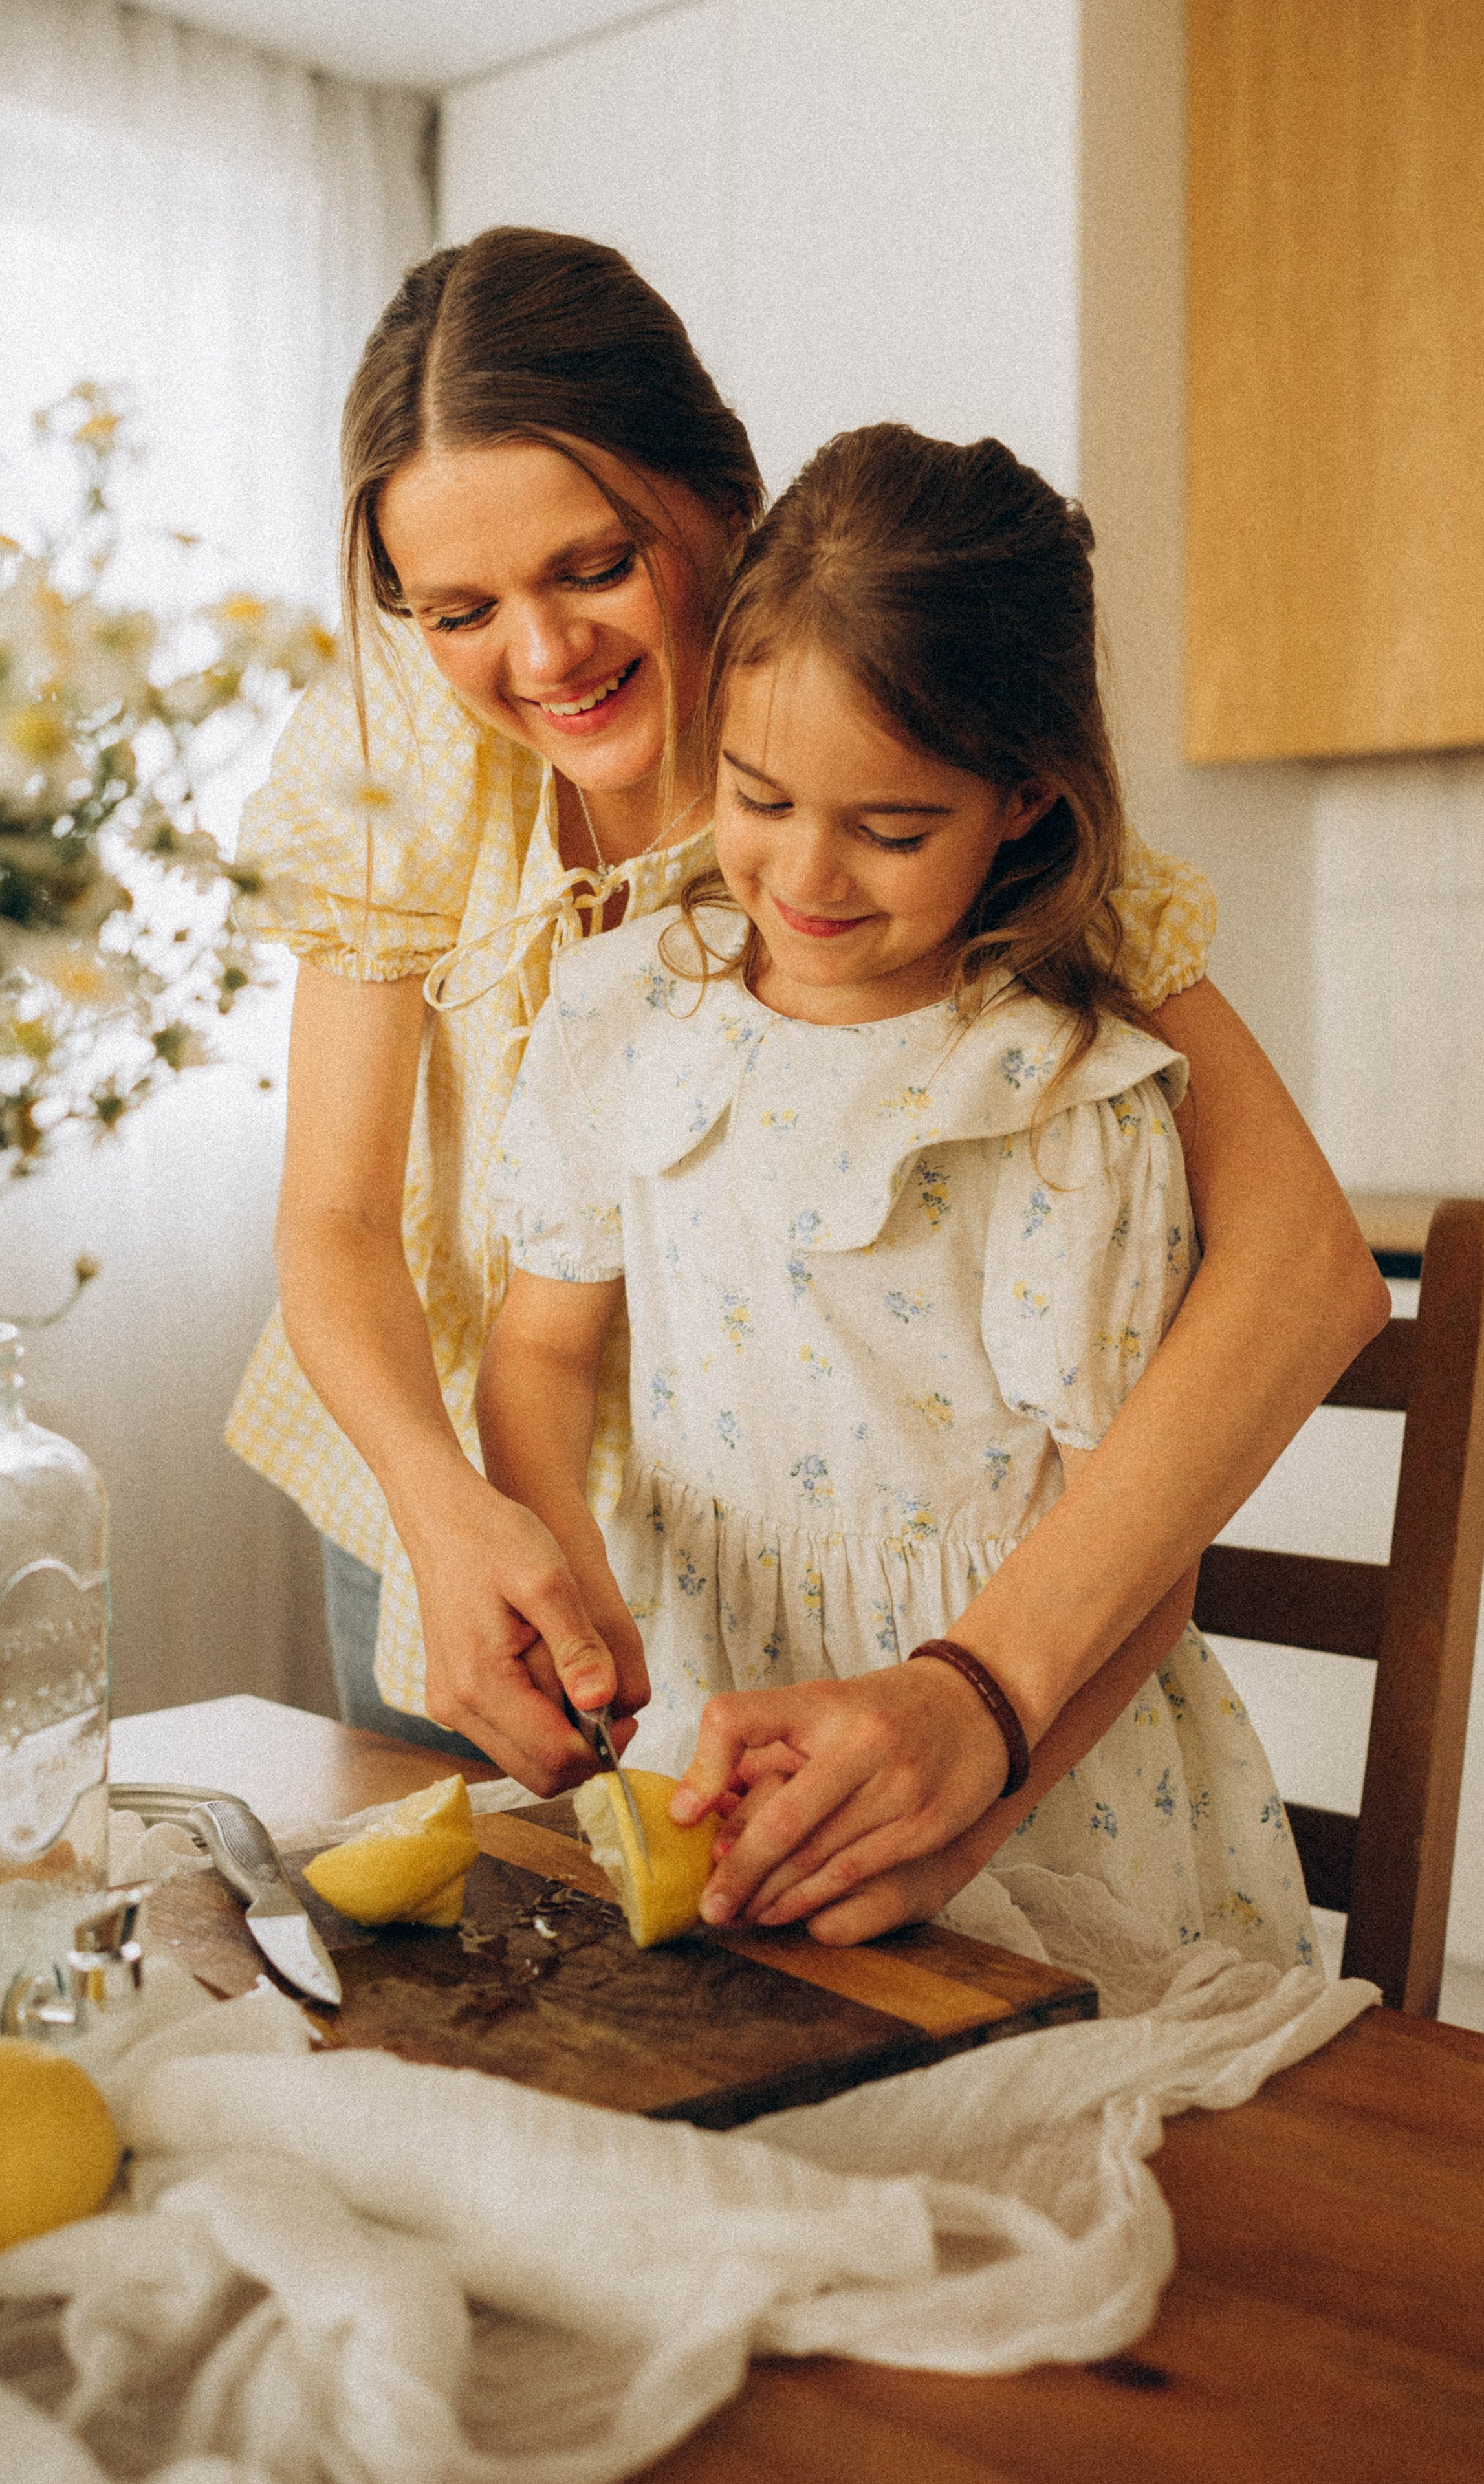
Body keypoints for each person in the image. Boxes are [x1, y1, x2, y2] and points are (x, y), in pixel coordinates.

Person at [226, 228, 1385, 1893]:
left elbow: (1302, 1261)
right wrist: (445, 1495)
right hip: (471, 1504)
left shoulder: (892, 697)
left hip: (864, 1603)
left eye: (595, 566)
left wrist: (982, 1703)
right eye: (458, 608)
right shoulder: (395, 737)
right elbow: (334, 1222)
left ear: (720, 498)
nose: (539, 658)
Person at [477, 424, 1317, 1966]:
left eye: (890, 829)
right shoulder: (617, 1013)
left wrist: (975, 1798)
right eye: (757, 797)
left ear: (1022, 804)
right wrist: (560, 1569)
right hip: (704, 1748)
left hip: (1031, 1796)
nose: (806, 876)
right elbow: (537, 1348)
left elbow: (1140, 1542)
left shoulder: (1062, 1098)